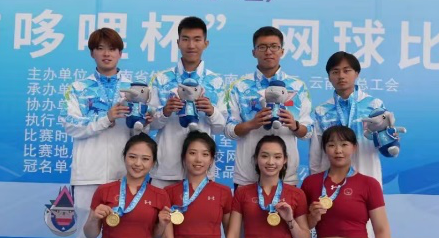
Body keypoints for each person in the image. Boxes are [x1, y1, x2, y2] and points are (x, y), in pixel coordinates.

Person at [61, 28, 150, 238]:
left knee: (126, 233)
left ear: (120, 53)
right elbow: (70, 125)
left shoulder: (134, 88)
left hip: (125, 174)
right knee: (86, 236)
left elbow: (143, 130)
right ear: (92, 53)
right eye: (100, 48)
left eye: (112, 48)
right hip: (88, 172)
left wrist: (146, 121)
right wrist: (106, 118)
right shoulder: (77, 88)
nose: (107, 53)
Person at [224, 26, 313, 188]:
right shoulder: (239, 87)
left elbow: (308, 132)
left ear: (282, 51)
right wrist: (252, 124)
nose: (268, 51)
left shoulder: (297, 87)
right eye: (262, 47)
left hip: (285, 176)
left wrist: (294, 125)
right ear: (254, 52)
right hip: (247, 176)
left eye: (274, 46)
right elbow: (229, 130)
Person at [149, 16, 228, 189]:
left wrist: (211, 111)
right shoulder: (162, 79)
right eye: (186, 39)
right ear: (178, 43)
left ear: (206, 43)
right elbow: (151, 124)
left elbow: (221, 127)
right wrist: (165, 112)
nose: (191, 45)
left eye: (197, 39)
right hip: (167, 169)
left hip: (201, 171)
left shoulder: (215, 82)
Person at [309, 51, 390, 183]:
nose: (341, 76)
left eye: (347, 71)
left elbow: (385, 142)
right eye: (335, 72)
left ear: (357, 74)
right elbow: (315, 151)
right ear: (329, 77)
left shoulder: (374, 106)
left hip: (367, 174)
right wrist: (315, 180)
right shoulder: (322, 111)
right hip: (331, 181)